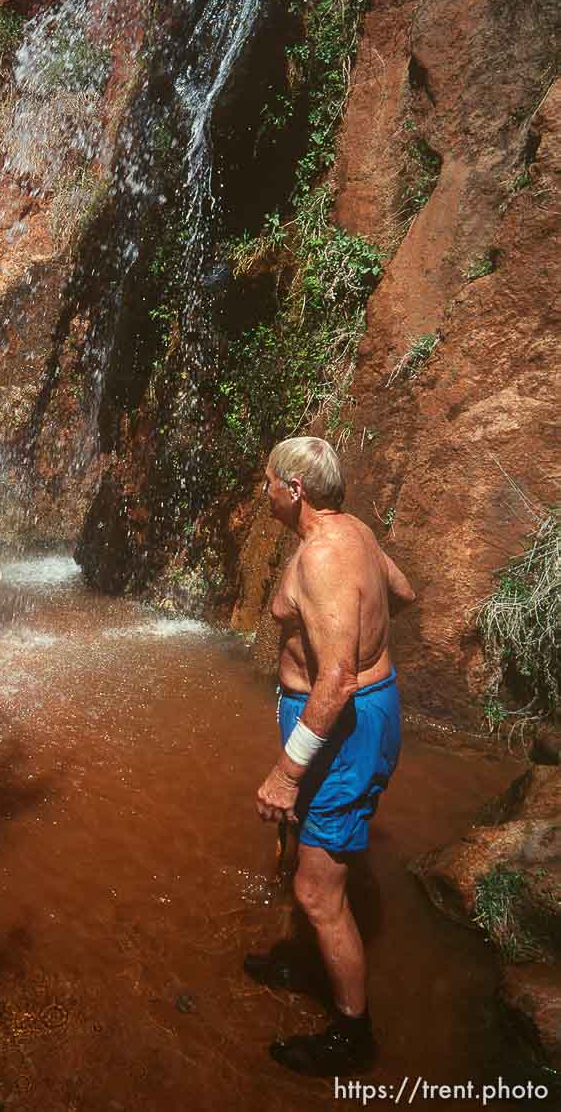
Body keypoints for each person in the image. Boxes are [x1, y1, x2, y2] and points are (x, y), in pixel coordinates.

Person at [247, 436, 415, 1075]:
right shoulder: (356, 533)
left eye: (267, 481)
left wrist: (286, 773)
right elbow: (403, 591)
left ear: (293, 491)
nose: (262, 490)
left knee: (319, 892)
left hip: (343, 725)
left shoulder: (321, 557)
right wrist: (368, 628)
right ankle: (310, 963)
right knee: (309, 861)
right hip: (335, 723)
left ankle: (353, 1035)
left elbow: (338, 678)